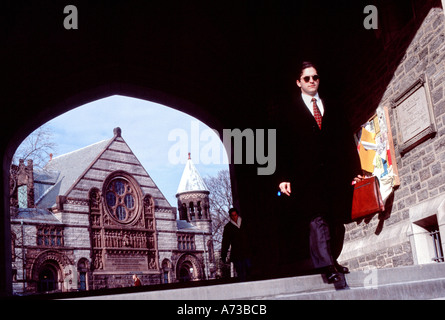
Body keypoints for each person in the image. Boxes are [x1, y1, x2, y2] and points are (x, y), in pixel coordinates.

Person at [275, 61, 363, 283]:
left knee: (336, 221)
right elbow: (281, 146)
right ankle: (326, 265)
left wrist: (355, 170)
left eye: (315, 77)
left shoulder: (332, 105)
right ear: (299, 82)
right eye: (307, 78)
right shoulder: (288, 111)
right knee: (317, 219)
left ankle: (332, 259)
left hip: (335, 175)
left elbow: (346, 140)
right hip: (306, 177)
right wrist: (282, 177)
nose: (312, 81)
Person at [221, 208, 251, 281]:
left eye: (235, 215)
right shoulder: (228, 227)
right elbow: (225, 242)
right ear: (230, 216)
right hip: (237, 253)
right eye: (232, 216)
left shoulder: (245, 223)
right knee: (240, 271)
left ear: (237, 215)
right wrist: (223, 255)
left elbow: (251, 236)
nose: (234, 217)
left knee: (249, 268)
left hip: (247, 251)